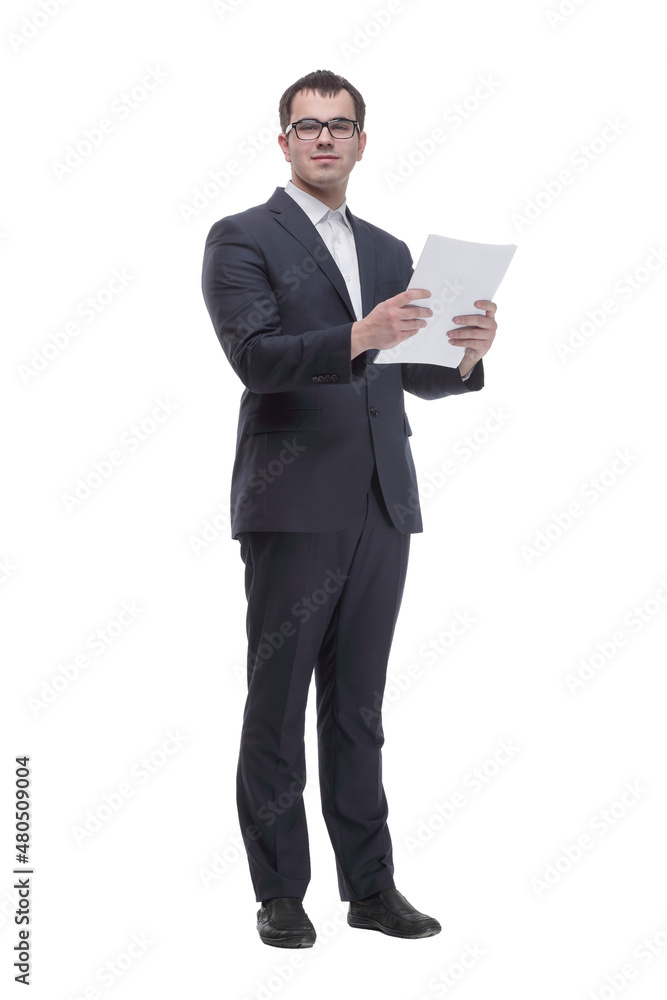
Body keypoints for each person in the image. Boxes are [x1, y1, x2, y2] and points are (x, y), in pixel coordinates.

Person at [201, 69, 497, 947]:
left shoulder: (387, 249)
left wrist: (467, 357)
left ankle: (370, 888)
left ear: (361, 142)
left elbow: (411, 378)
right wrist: (362, 336)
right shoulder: (241, 237)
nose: (324, 138)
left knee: (359, 706)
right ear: (284, 141)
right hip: (292, 502)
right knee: (278, 698)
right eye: (307, 126)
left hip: (380, 500)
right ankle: (280, 893)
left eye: (340, 126)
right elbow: (256, 356)